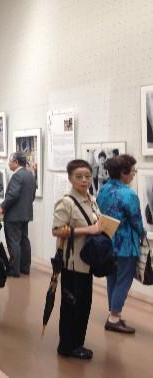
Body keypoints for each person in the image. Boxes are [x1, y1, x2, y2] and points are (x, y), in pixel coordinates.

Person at [52, 159, 102, 360]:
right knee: (71, 305)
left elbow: (97, 223)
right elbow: (56, 230)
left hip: (88, 261)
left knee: (84, 304)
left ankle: (77, 343)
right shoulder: (66, 202)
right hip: (72, 262)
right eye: (79, 176)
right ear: (70, 179)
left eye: (87, 176)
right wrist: (88, 230)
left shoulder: (92, 199)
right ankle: (66, 346)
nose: (84, 180)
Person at [96, 154, 143, 334]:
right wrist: (142, 234)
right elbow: (136, 222)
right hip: (125, 245)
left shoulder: (104, 189)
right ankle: (114, 318)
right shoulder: (129, 194)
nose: (133, 175)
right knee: (123, 281)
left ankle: (113, 314)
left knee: (112, 278)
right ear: (123, 173)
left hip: (107, 241)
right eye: (132, 171)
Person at [0, 152, 36, 277]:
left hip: (14, 215)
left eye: (10, 161)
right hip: (25, 214)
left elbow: (13, 195)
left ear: (15, 162)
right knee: (24, 240)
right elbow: (32, 195)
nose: (9, 163)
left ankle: (14, 269)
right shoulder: (30, 175)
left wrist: (3, 206)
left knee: (14, 241)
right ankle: (25, 267)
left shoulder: (17, 176)